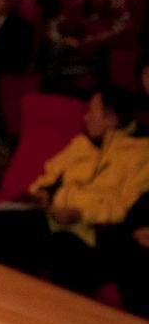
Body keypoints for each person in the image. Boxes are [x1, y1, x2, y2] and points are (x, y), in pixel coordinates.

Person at [23, 87, 149, 294]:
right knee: (5, 224)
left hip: (94, 233)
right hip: (55, 218)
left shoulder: (140, 154)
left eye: (93, 112)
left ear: (112, 120)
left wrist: (79, 212)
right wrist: (42, 193)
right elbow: (50, 175)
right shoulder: (83, 143)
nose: (86, 117)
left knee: (60, 248)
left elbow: (122, 207)